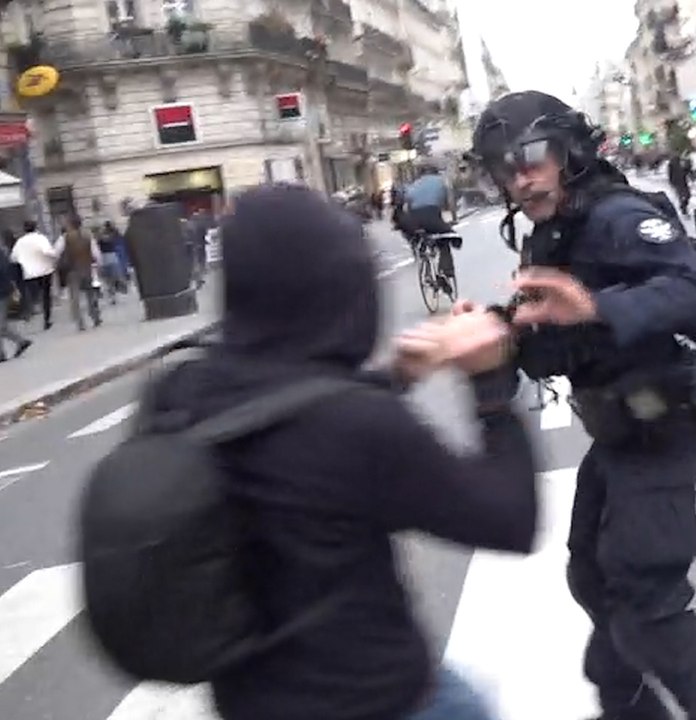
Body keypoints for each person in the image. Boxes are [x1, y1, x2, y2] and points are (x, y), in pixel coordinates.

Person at [142, 183, 538, 720]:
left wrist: (395, 377)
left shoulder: (178, 391)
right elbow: (507, 518)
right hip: (377, 698)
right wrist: (489, 383)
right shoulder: (358, 426)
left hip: (250, 703)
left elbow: (280, 421)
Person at [464, 90, 696, 720]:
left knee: (647, 597)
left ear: (568, 152)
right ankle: (624, 700)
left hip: (664, 418)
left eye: (533, 156)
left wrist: (599, 309)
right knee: (591, 576)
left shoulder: (617, 216)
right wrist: (499, 332)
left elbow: (694, 288)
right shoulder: (551, 233)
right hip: (619, 427)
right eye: (502, 165)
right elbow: (551, 332)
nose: (520, 176)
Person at [395, 158, 459, 294]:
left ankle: (427, 272)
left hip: (412, 219)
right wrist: (454, 218)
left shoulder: (414, 185)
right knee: (444, 241)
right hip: (432, 214)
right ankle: (444, 272)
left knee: (423, 240)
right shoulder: (441, 181)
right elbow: (450, 201)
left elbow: (407, 205)